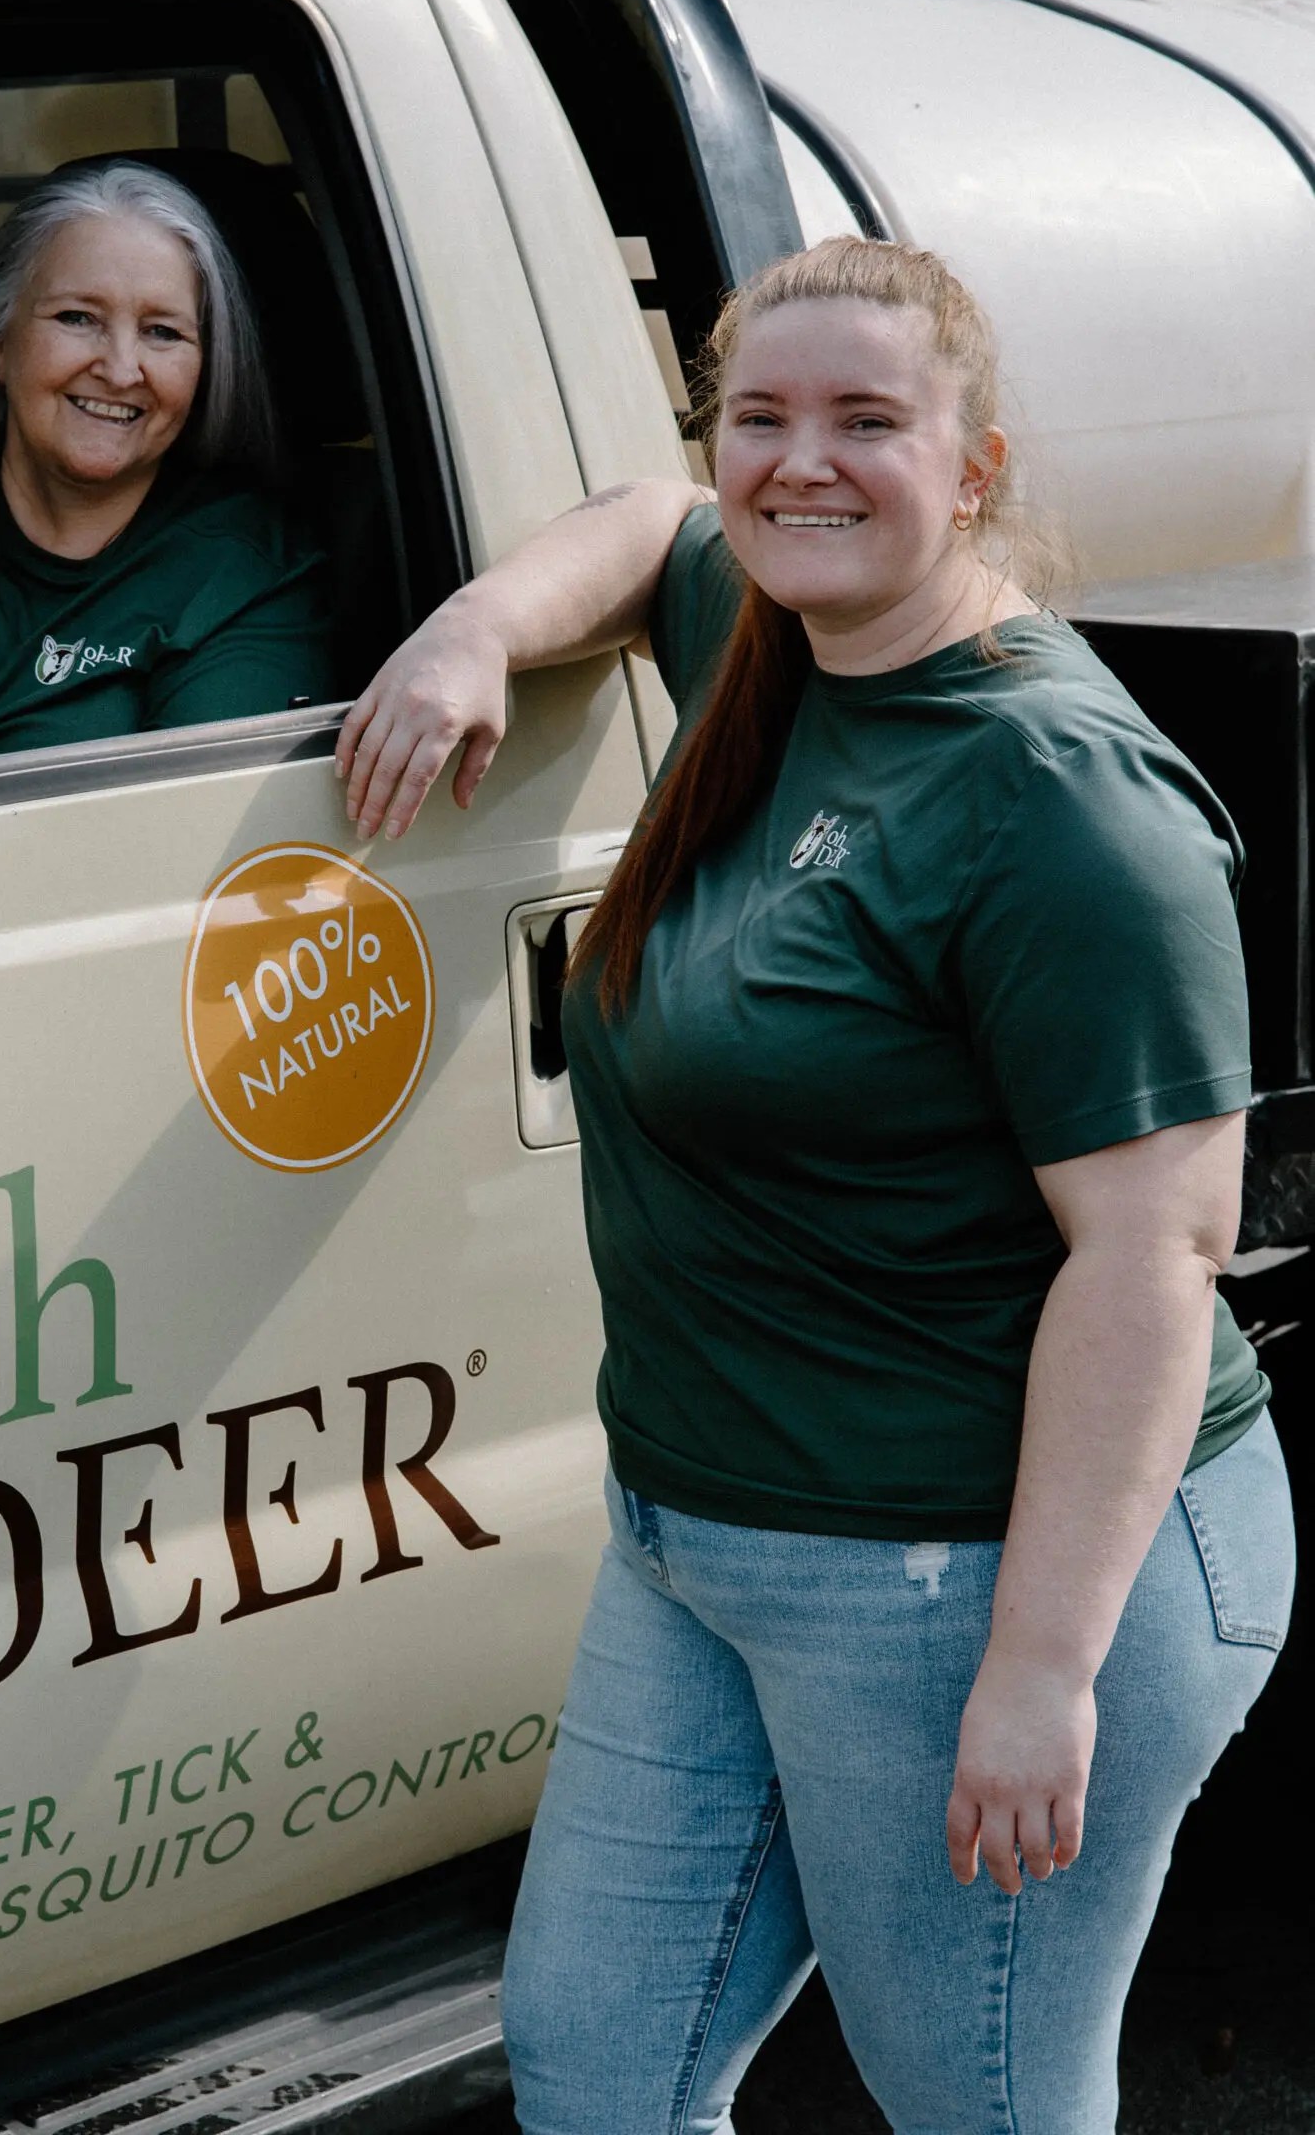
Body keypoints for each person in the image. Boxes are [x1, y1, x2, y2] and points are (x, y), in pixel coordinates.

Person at [336, 237, 1293, 2134]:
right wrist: (468, 630)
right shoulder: (778, 632)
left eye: (870, 422)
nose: (802, 464)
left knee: (982, 2108)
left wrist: (1037, 1669)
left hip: (963, 1573)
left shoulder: (1060, 802)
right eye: (761, 418)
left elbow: (1153, 1254)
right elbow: (642, 523)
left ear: (978, 463)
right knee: (599, 2067)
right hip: (701, 1536)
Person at [0, 160, 333, 761]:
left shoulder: (242, 568)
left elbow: (186, 827)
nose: (122, 369)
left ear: (204, 367)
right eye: (78, 318)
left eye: (163, 332)